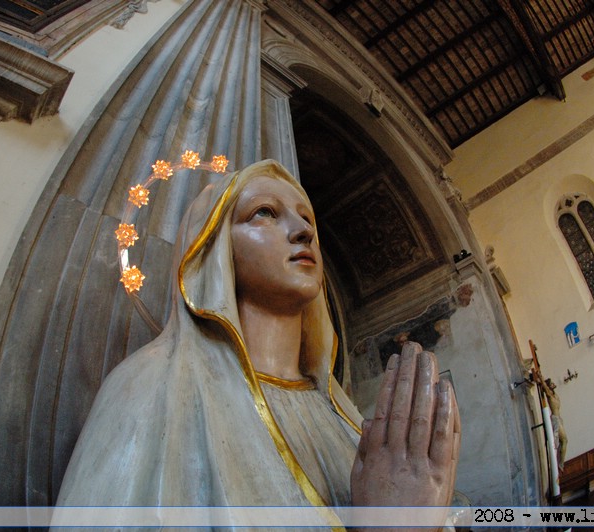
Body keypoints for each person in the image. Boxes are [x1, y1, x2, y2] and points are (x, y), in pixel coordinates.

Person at [56, 159, 460, 528]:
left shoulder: (342, 416)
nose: (304, 231)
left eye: (307, 220)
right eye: (264, 213)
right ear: (213, 249)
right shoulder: (151, 385)